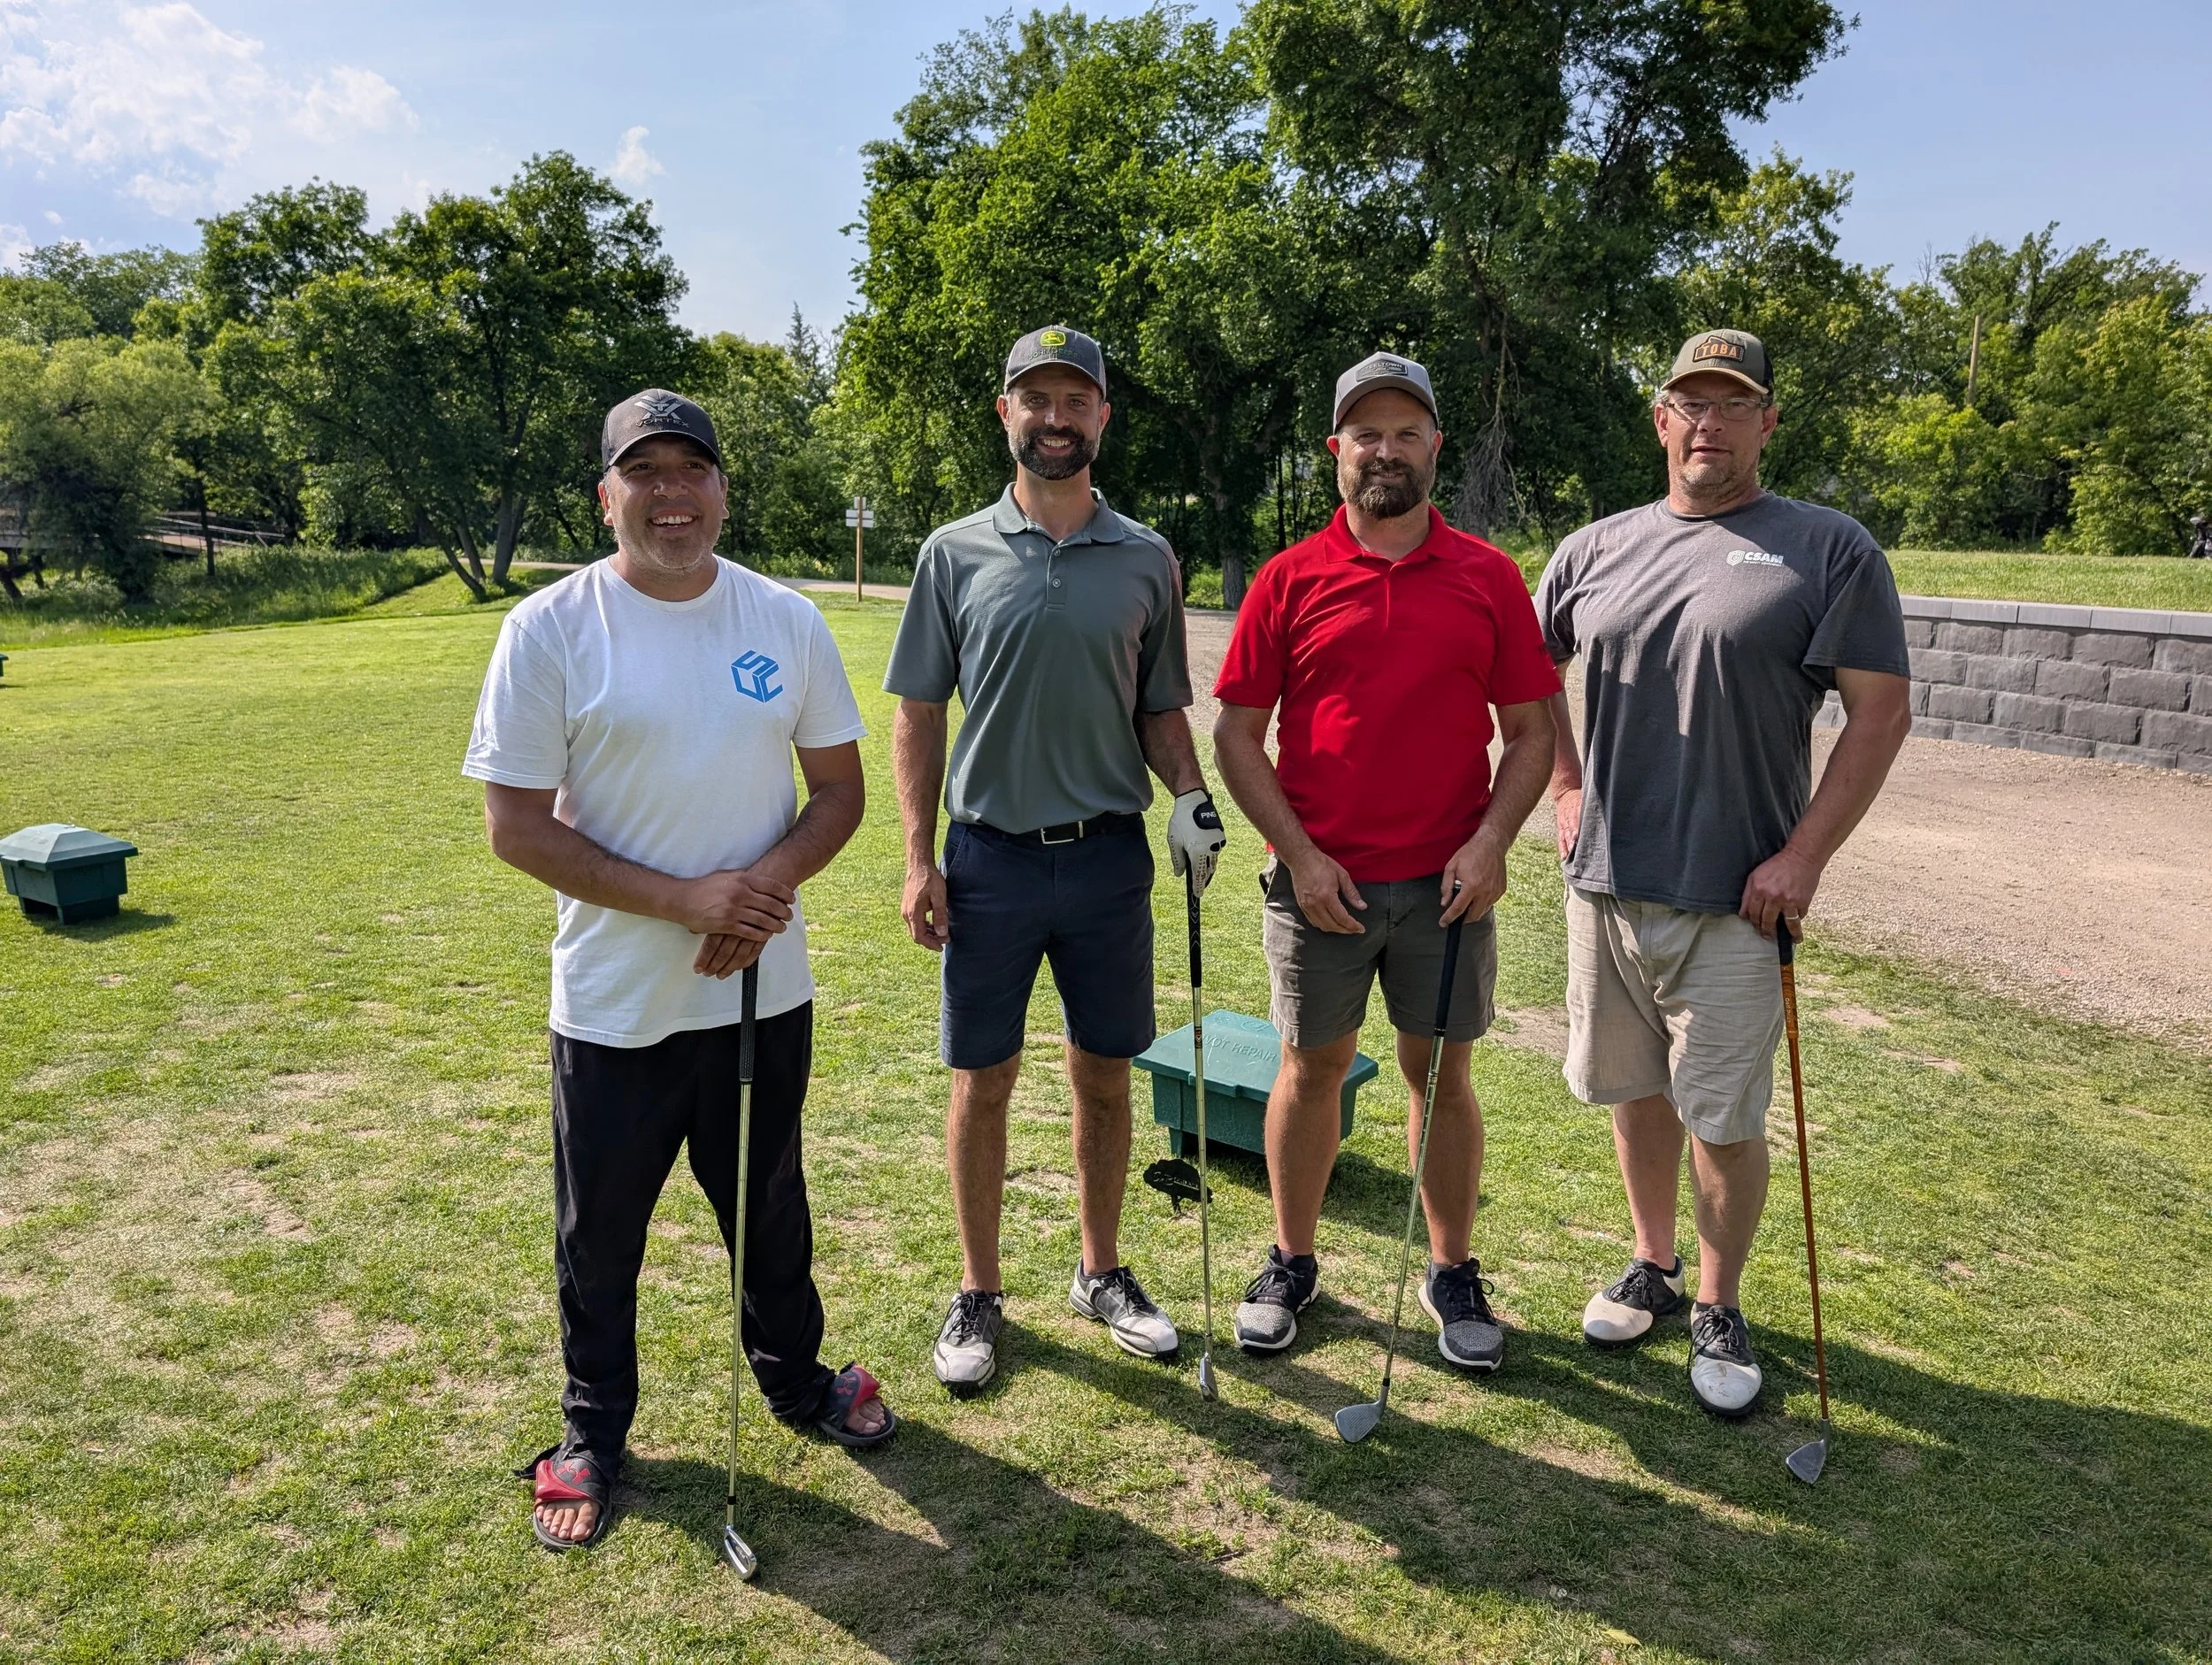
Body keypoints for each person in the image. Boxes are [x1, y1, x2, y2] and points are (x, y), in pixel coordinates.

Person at [465, 388, 896, 1552]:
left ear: (721, 487)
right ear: (606, 494)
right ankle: (593, 1436)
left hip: (763, 993)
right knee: (600, 1237)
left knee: (770, 1209)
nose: (670, 495)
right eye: (641, 472)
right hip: (614, 1003)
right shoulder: (550, 628)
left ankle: (797, 1381)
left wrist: (763, 892)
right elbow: (516, 826)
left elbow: (841, 791)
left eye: (690, 470)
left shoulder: (784, 618)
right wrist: (688, 898)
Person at [1534, 330, 1913, 1418]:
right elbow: (1522, 677)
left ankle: (1716, 1298)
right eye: (1687, 403)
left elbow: (1879, 715)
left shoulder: (1827, 548)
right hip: (1605, 882)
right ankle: (1650, 1264)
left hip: (1739, 898)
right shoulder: (1592, 548)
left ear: (1765, 423)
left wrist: (1803, 857)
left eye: (1731, 404)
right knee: (1632, 1088)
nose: (1708, 423)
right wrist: (1564, 785)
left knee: (1722, 1113)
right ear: (1659, 420)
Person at [886, 326, 1227, 1394]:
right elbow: (918, 712)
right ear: (1005, 415)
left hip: (1105, 863)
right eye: (1034, 399)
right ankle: (980, 1289)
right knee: (981, 1078)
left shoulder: (1145, 556)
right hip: (985, 856)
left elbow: (1161, 704)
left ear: (1101, 419)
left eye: (1075, 400)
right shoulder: (952, 552)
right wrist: (915, 857)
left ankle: (1100, 1270)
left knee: (1104, 1076)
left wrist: (1191, 796)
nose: (1055, 418)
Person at [1212, 351, 1559, 1371]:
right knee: (1309, 1068)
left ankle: (1449, 1269)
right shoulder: (1288, 578)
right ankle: (1290, 1259)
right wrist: (1299, 854)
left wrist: (1492, 842)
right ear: (1335, 452)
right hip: (1319, 885)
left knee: (1439, 1074)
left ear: (1435, 449)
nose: (1386, 450)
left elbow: (1532, 731)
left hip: (1446, 889)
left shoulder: (1489, 576)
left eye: (1407, 432)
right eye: (1366, 433)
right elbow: (1236, 734)